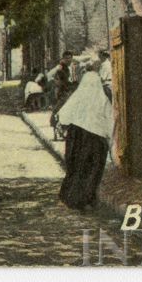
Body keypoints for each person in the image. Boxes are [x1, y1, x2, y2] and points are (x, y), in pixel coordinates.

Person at [57, 67, 113, 211]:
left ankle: (71, 198)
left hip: (77, 137)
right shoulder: (102, 99)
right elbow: (110, 120)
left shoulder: (77, 97)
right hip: (96, 139)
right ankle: (87, 198)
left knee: (76, 167)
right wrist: (109, 138)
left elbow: (63, 116)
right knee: (93, 169)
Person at [50, 51, 76, 140]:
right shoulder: (60, 68)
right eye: (66, 58)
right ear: (63, 59)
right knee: (59, 110)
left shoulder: (74, 67)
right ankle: (58, 131)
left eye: (70, 58)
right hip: (63, 92)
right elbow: (53, 77)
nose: (68, 60)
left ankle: (66, 131)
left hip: (71, 91)